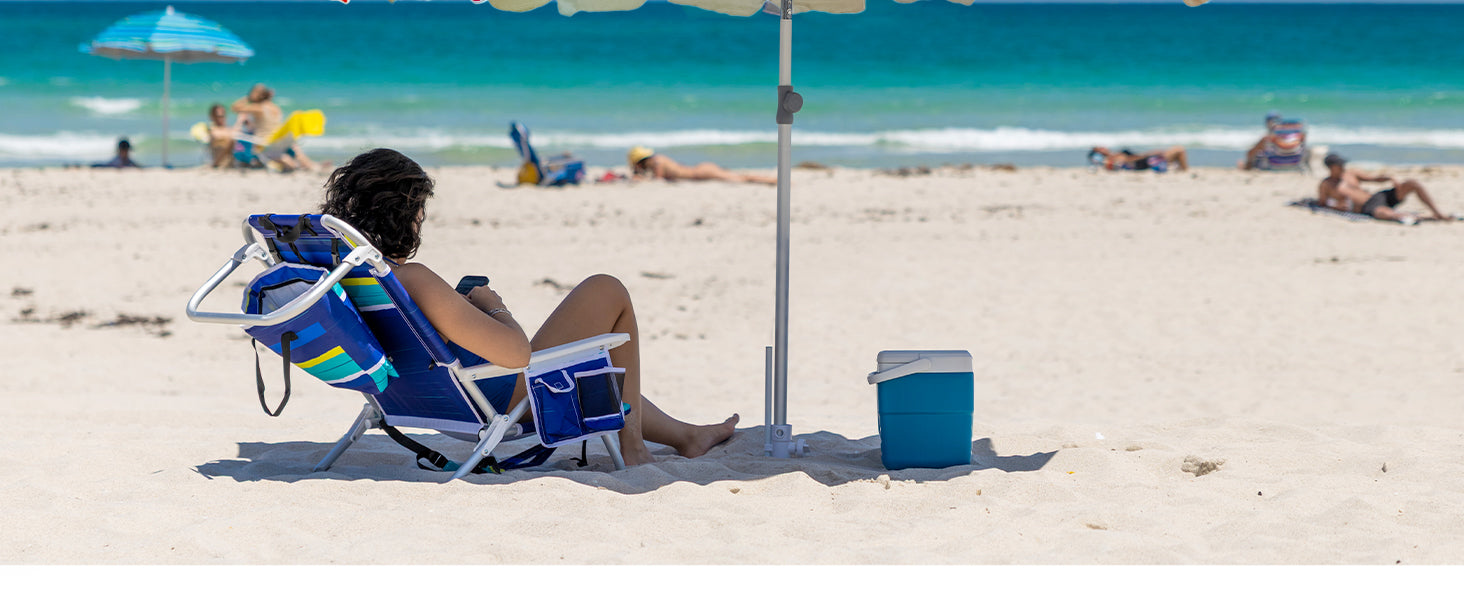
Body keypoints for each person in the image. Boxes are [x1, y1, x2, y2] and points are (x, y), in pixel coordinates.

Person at [320, 148, 739, 466]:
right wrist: (493, 306)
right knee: (607, 290)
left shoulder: (348, 275)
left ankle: (686, 436)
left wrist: (464, 315)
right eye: (419, 213)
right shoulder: (413, 278)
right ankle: (632, 446)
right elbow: (516, 355)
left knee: (595, 372)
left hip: (419, 397)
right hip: (494, 399)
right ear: (404, 213)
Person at [1316, 153, 1450, 225]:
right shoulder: (1326, 184)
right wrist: (1336, 207)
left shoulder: (1351, 173)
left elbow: (1372, 179)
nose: (1343, 166)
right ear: (1331, 167)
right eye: (1340, 165)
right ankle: (1420, 218)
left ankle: (1438, 213)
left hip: (1377, 197)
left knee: (1412, 183)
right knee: (1383, 213)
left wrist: (1388, 178)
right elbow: (1322, 204)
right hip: (1366, 207)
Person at [233, 83, 325, 172]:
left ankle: (297, 165)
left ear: (258, 95)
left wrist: (248, 98)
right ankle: (312, 166)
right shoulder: (276, 108)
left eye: (253, 92)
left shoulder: (259, 108)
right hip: (279, 140)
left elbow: (235, 107)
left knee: (282, 157)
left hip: (265, 143)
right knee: (294, 149)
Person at [628, 146, 777, 185]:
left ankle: (772, 181)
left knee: (740, 179)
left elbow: (658, 180)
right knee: (738, 177)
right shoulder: (659, 159)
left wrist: (640, 179)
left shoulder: (656, 162)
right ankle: (772, 180)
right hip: (701, 169)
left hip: (701, 173)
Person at [1088, 145, 1188, 172]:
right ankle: (1184, 170)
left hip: (1145, 161)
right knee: (1179, 150)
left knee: (1178, 151)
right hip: (1146, 162)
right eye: (1100, 148)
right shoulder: (1113, 158)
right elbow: (1131, 159)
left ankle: (1182, 169)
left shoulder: (1114, 155)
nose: (1103, 147)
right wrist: (1150, 153)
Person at [205, 103, 237, 169]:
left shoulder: (229, 129)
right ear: (212, 117)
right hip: (218, 162)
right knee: (230, 140)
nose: (222, 118)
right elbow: (216, 135)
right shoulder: (211, 130)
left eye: (223, 116)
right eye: (219, 116)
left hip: (231, 163)